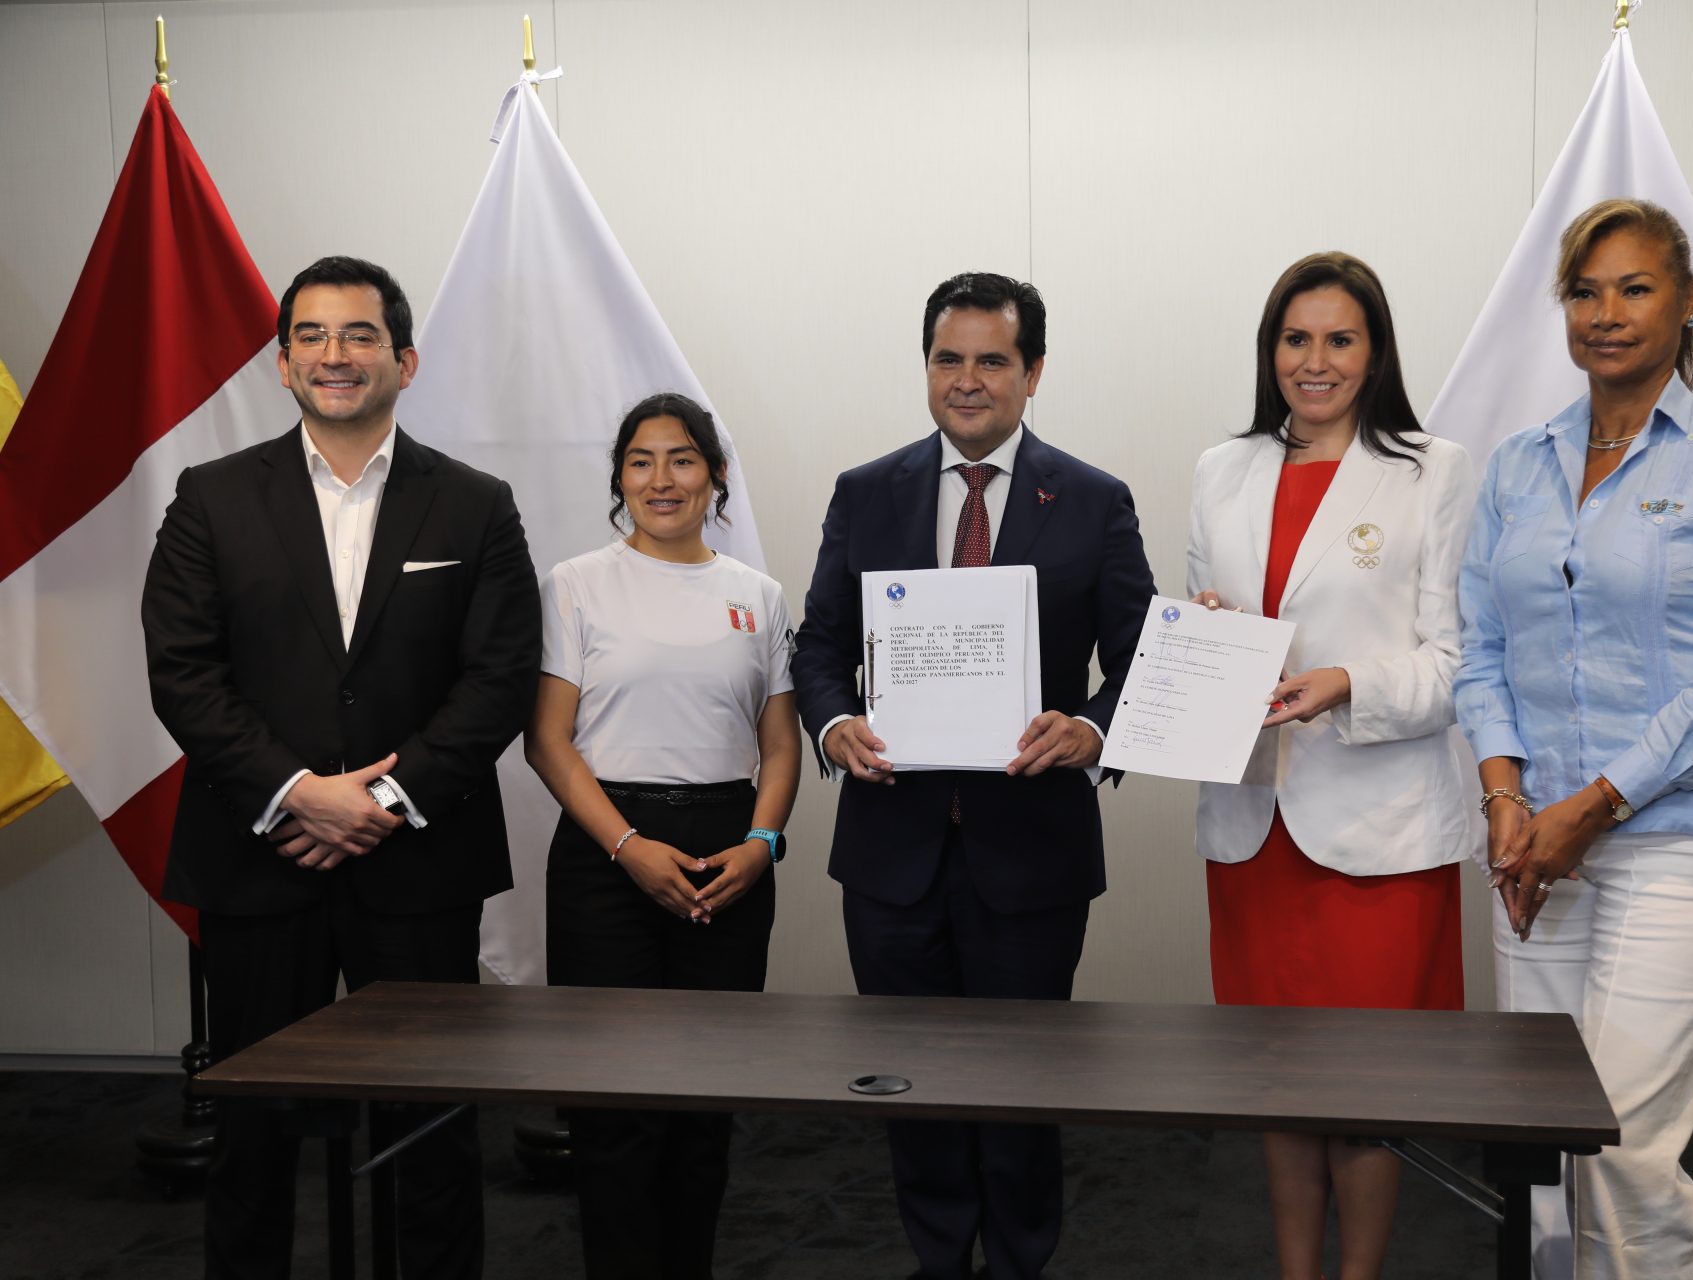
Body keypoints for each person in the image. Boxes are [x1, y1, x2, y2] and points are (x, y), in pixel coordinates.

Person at [141, 255, 541, 1278]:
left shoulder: (477, 504)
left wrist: (385, 799)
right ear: (282, 364)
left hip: (421, 863)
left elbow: (498, 680)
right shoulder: (210, 497)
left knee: (433, 1127)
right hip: (259, 858)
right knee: (253, 1131)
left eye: (360, 334)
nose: (336, 354)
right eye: (311, 336)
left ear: (405, 359)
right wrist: (300, 793)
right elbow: (183, 671)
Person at [1455, 198, 1693, 1279]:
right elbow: (1481, 647)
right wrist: (1507, 799)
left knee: (1620, 1154)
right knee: (1537, 1148)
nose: (1606, 312)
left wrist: (1593, 805)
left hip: (1674, 845)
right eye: (1584, 290)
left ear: (1688, 300)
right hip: (1536, 844)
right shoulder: (1517, 465)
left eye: (1635, 287)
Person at [791, 271, 1155, 1280]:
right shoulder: (866, 492)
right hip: (891, 849)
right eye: (947, 358)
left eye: (992, 360)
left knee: (1023, 1085)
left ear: (1032, 373)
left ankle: (1023, 1260)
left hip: (1030, 852)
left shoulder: (1093, 500)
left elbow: (1142, 659)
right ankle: (939, 1258)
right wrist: (834, 725)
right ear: (926, 369)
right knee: (909, 1085)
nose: (967, 379)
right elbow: (818, 646)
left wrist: (1091, 729)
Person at [1186, 252, 1475, 1280]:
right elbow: (1203, 622)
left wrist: (1348, 682)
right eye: (1295, 339)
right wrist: (1204, 637)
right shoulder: (1220, 470)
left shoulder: (1434, 470)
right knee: (1277, 1082)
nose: (1315, 361)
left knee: (1364, 1089)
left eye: (1339, 339)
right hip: (1253, 824)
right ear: (1270, 350)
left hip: (1378, 834)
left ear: (1375, 351)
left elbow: (1459, 662)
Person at [525, 391, 800, 1280]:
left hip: (728, 855)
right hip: (606, 852)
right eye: (640, 461)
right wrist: (627, 847)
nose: (661, 479)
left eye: (682, 459)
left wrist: (762, 844)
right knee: (613, 1106)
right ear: (620, 479)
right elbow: (549, 741)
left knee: (702, 1101)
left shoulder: (757, 595)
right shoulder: (575, 584)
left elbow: (780, 745)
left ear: (715, 476)